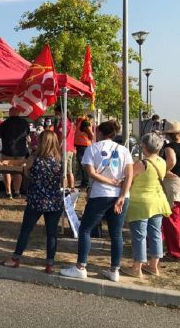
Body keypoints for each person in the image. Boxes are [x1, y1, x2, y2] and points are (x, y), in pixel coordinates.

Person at [61, 120, 133, 282]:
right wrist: (122, 195)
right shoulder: (123, 150)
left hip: (100, 194)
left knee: (85, 229)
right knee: (116, 234)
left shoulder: (92, 149)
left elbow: (91, 173)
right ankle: (115, 270)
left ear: (99, 132)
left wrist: (109, 182)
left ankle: (81, 267)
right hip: (121, 195)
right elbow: (129, 175)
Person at [0, 130, 64, 273]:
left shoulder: (34, 158)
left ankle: (16, 258)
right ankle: (50, 264)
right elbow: (63, 179)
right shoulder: (60, 159)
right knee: (51, 234)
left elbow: (26, 173)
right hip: (54, 200)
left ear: (41, 142)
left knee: (26, 230)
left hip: (36, 200)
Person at [121, 133, 171, 278]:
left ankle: (137, 267)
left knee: (139, 235)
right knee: (155, 234)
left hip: (141, 203)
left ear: (144, 146)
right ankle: (154, 266)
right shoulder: (162, 161)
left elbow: (128, 179)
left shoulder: (141, 164)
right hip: (158, 201)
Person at [0, 107, 30, 199]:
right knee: (18, 171)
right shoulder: (24, 123)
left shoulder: (5, 123)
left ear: (10, 113)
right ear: (18, 113)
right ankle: (17, 192)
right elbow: (27, 134)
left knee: (7, 171)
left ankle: (8, 192)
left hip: (8, 151)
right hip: (21, 151)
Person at [162, 121, 180, 260]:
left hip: (173, 183)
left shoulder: (169, 147)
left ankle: (175, 251)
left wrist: (164, 171)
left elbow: (171, 160)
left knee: (172, 218)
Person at [55, 105, 75, 190]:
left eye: (56, 112)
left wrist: (58, 148)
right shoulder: (70, 122)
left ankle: (64, 188)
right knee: (69, 170)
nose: (55, 114)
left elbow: (62, 137)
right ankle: (72, 187)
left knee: (63, 171)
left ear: (60, 112)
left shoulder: (63, 122)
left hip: (64, 149)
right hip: (70, 148)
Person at [74, 114, 94, 188]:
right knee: (83, 165)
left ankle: (85, 183)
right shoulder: (83, 121)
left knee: (83, 165)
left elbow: (90, 134)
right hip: (82, 145)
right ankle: (85, 183)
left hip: (83, 145)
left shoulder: (85, 122)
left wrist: (91, 139)